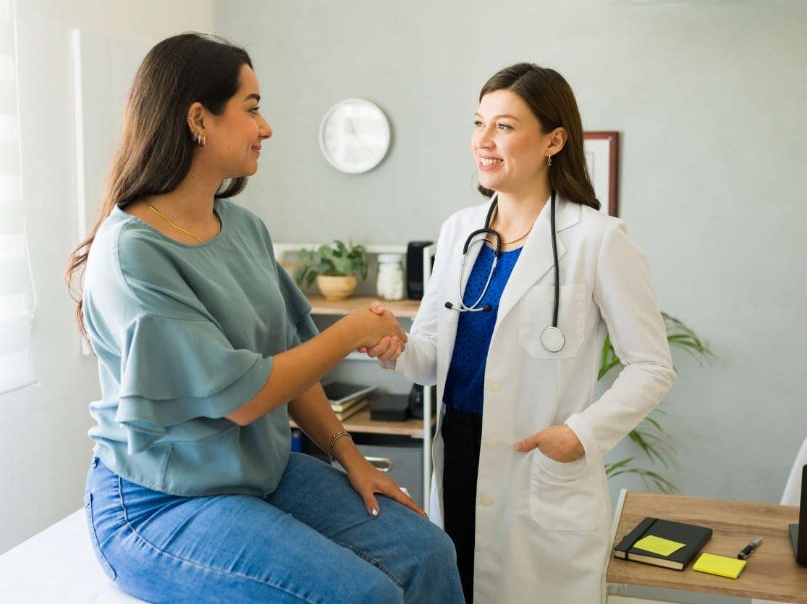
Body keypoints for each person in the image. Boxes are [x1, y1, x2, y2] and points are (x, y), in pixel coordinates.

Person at [66, 33, 464, 604]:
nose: (266, 127)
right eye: (252, 109)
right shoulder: (132, 252)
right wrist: (351, 331)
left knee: (429, 551)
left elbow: (291, 364)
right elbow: (246, 396)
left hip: (261, 472)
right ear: (198, 119)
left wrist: (352, 459)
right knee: (361, 595)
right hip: (161, 501)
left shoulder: (245, 230)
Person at [365, 63, 676, 603]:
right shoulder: (460, 230)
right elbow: (432, 358)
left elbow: (652, 366)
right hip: (459, 454)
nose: (483, 141)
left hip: (537, 458)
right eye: (479, 122)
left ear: (554, 140)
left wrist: (579, 434)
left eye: (504, 127)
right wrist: (395, 345)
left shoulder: (599, 240)